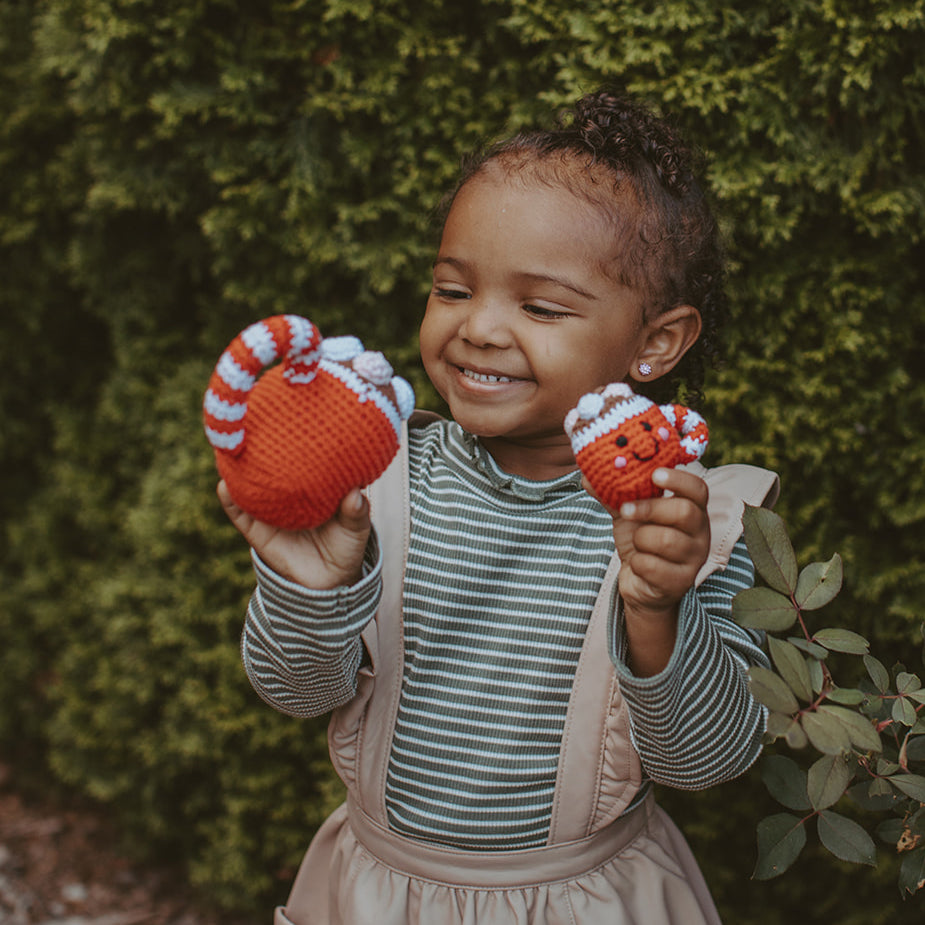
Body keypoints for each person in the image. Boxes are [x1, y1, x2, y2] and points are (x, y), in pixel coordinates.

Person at [219, 88, 780, 924]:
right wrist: (309, 589)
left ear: (654, 342)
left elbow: (708, 759)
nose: (478, 328)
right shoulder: (379, 480)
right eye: (451, 290)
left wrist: (660, 609)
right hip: (379, 894)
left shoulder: (690, 523)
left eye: (541, 307)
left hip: (585, 900)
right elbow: (295, 690)